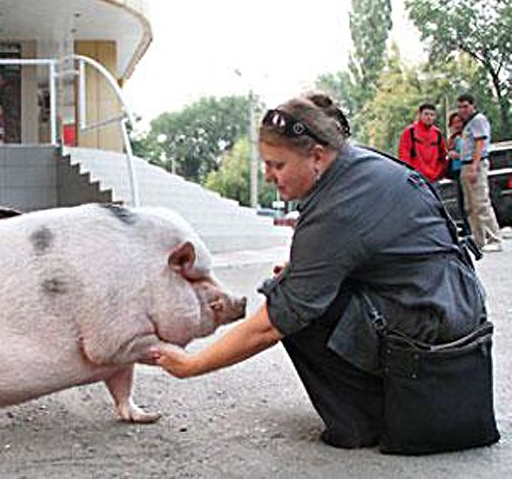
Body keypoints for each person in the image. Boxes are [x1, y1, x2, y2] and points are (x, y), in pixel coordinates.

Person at [151, 92, 488, 449]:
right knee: (296, 288)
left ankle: (367, 419)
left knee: (291, 304)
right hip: (450, 312)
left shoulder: (339, 205)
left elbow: (270, 325)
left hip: (434, 332)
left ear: (316, 156)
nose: (269, 176)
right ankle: (375, 406)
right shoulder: (359, 167)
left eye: (277, 165)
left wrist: (192, 364)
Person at [457, 93, 503, 253]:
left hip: (474, 164)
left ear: (472, 105)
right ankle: (479, 240)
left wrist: (474, 166)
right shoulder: (467, 124)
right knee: (470, 205)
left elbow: (480, 142)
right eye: (460, 107)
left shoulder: (478, 120)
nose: (462, 110)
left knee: (481, 203)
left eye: (465, 106)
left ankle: (494, 238)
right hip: (465, 164)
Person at [398, 102, 448, 182]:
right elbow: (404, 156)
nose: (429, 117)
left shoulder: (438, 134)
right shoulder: (410, 132)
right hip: (415, 179)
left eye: (432, 115)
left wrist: (438, 173)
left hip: (434, 179)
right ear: (420, 115)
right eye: (426, 114)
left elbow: (443, 156)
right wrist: (410, 174)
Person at [445, 111, 471, 236]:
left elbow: (471, 153)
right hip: (456, 171)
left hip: (466, 169)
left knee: (469, 200)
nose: (457, 125)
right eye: (454, 122)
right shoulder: (452, 138)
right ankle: (467, 227)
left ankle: (472, 228)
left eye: (459, 122)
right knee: (460, 201)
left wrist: (458, 155)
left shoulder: (467, 135)